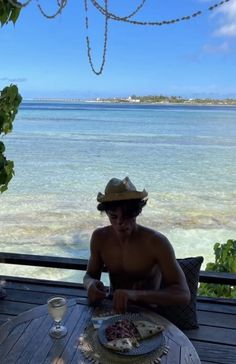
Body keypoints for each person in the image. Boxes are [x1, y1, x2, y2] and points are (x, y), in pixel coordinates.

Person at [83, 176, 190, 314]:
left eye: (126, 215)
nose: (120, 222)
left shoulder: (156, 242)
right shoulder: (100, 238)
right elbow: (89, 276)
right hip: (111, 310)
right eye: (113, 216)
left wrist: (135, 294)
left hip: (148, 315)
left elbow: (183, 294)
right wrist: (90, 284)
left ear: (137, 212)